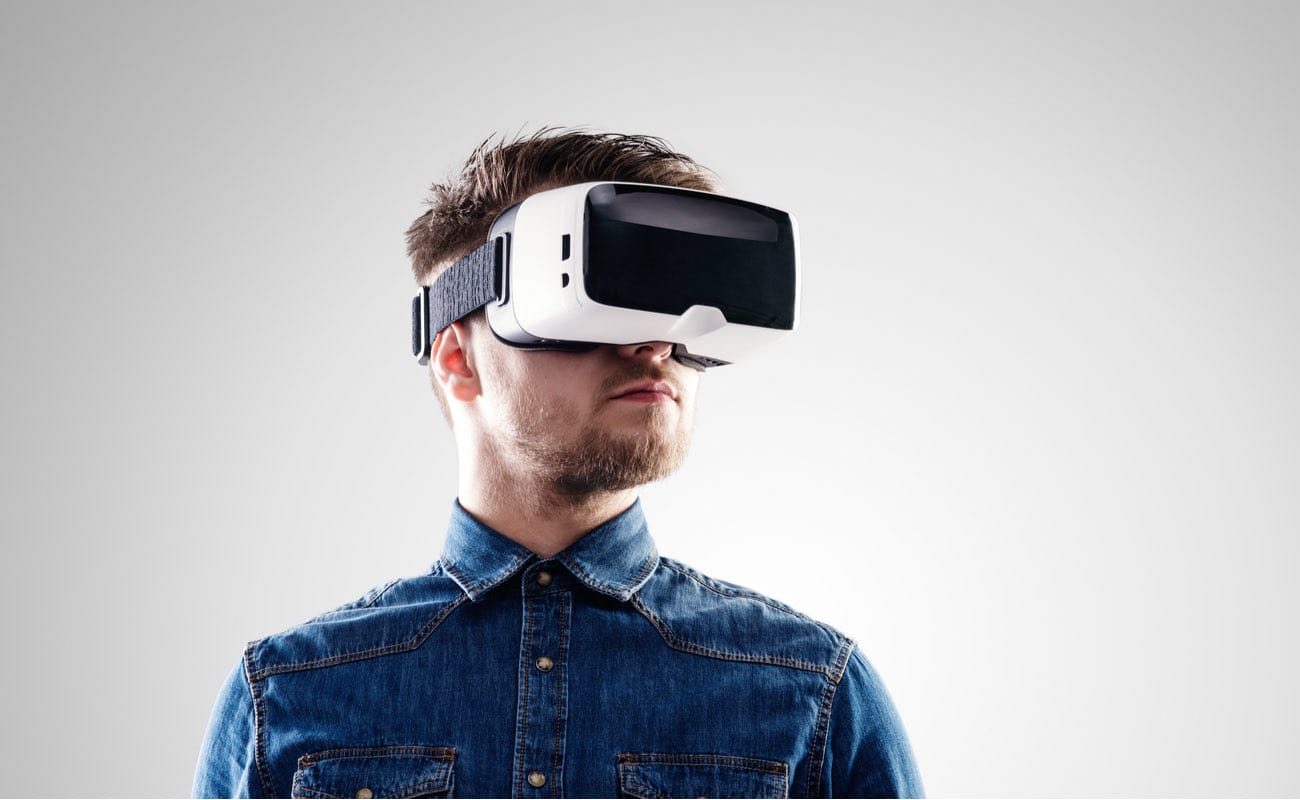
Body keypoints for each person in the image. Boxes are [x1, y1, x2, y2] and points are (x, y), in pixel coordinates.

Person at [192, 129, 923, 798]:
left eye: (673, 307)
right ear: (457, 359)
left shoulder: (813, 694)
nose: (655, 344)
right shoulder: (288, 696)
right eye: (604, 299)